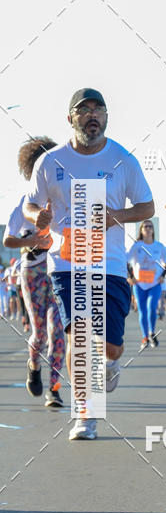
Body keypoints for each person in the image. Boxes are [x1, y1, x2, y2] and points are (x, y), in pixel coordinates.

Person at [24, 88, 154, 440]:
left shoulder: (123, 160)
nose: (92, 116)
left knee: (110, 345)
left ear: (107, 118)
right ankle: (85, 412)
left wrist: (117, 216)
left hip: (109, 265)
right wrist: (40, 216)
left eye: (99, 110)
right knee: (78, 335)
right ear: (71, 119)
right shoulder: (50, 161)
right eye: (84, 111)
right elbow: (29, 205)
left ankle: (111, 362)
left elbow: (147, 207)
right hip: (66, 263)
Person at [4, 137, 66, 407]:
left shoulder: (64, 199)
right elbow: (8, 240)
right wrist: (30, 241)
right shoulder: (23, 203)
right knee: (39, 332)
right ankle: (33, 364)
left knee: (58, 331)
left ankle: (54, 388)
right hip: (31, 271)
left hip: (58, 269)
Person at [127, 221, 166, 350]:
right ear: (141, 230)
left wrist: (162, 276)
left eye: (150, 226)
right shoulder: (137, 246)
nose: (148, 228)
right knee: (142, 311)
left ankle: (152, 332)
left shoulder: (159, 246)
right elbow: (127, 262)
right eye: (145, 226)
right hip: (139, 284)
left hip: (154, 283)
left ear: (153, 230)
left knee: (152, 308)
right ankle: (145, 336)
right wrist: (131, 277)